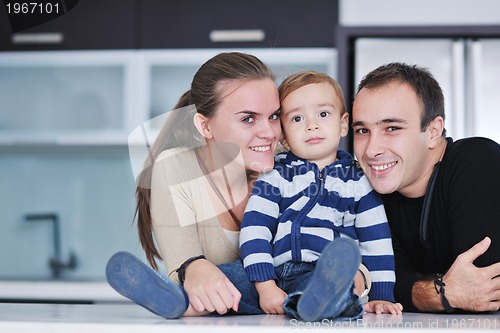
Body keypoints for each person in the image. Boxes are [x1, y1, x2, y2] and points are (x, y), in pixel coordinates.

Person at [106, 51, 283, 318]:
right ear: (205, 126)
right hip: (228, 317)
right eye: (248, 118)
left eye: (274, 116)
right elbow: (183, 261)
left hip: (281, 313)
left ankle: (184, 301)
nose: (270, 133)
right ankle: (182, 299)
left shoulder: (289, 165)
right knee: (206, 278)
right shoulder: (175, 167)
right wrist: (193, 267)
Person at [239, 71, 403, 322]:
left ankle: (318, 302)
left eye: (323, 114)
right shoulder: (274, 176)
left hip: (319, 273)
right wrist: (265, 285)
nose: (311, 125)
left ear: (343, 123)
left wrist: (381, 296)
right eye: (297, 118)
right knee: (226, 280)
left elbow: (376, 241)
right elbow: (255, 229)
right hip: (268, 273)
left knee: (327, 287)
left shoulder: (359, 182)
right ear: (283, 132)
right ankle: (181, 299)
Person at [351, 62, 500, 313]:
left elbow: (483, 290)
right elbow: (376, 285)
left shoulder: (476, 159)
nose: (372, 150)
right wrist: (441, 293)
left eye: (392, 128)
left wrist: (420, 290)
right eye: (363, 130)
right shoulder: (365, 189)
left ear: (433, 131)